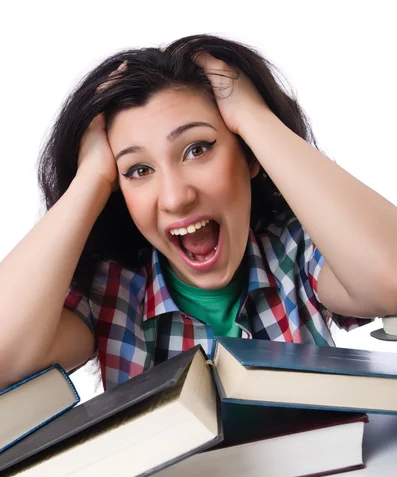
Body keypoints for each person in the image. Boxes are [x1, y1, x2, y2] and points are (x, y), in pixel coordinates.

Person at [1, 33, 396, 393]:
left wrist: (252, 116)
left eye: (198, 149)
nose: (175, 198)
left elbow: (390, 278)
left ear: (249, 154)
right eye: (138, 170)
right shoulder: (109, 293)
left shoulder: (298, 252)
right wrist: (90, 177)